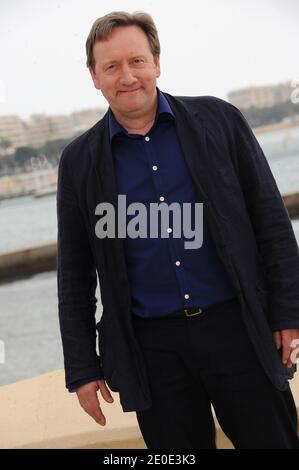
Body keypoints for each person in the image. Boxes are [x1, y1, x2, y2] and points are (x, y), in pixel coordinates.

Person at [56, 11, 299, 449]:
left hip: (239, 330)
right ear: (94, 76)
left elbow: (271, 223)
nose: (126, 76)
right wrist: (83, 368)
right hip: (150, 352)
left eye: (136, 61)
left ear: (157, 62)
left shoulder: (220, 120)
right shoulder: (78, 163)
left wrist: (288, 314)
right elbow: (74, 276)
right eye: (111, 66)